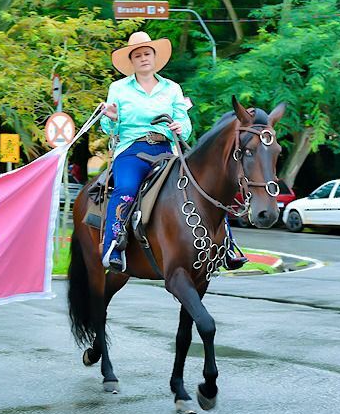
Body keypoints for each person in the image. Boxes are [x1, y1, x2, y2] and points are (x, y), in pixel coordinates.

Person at [97, 31, 247, 272]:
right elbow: (109, 128)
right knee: (125, 188)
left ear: (155, 58)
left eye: (147, 53)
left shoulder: (172, 88)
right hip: (132, 149)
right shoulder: (119, 88)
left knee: (203, 186)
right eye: (138, 55)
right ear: (132, 61)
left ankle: (227, 246)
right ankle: (113, 246)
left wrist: (180, 127)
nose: (143, 58)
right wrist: (112, 118)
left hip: (166, 150)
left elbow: (184, 122)